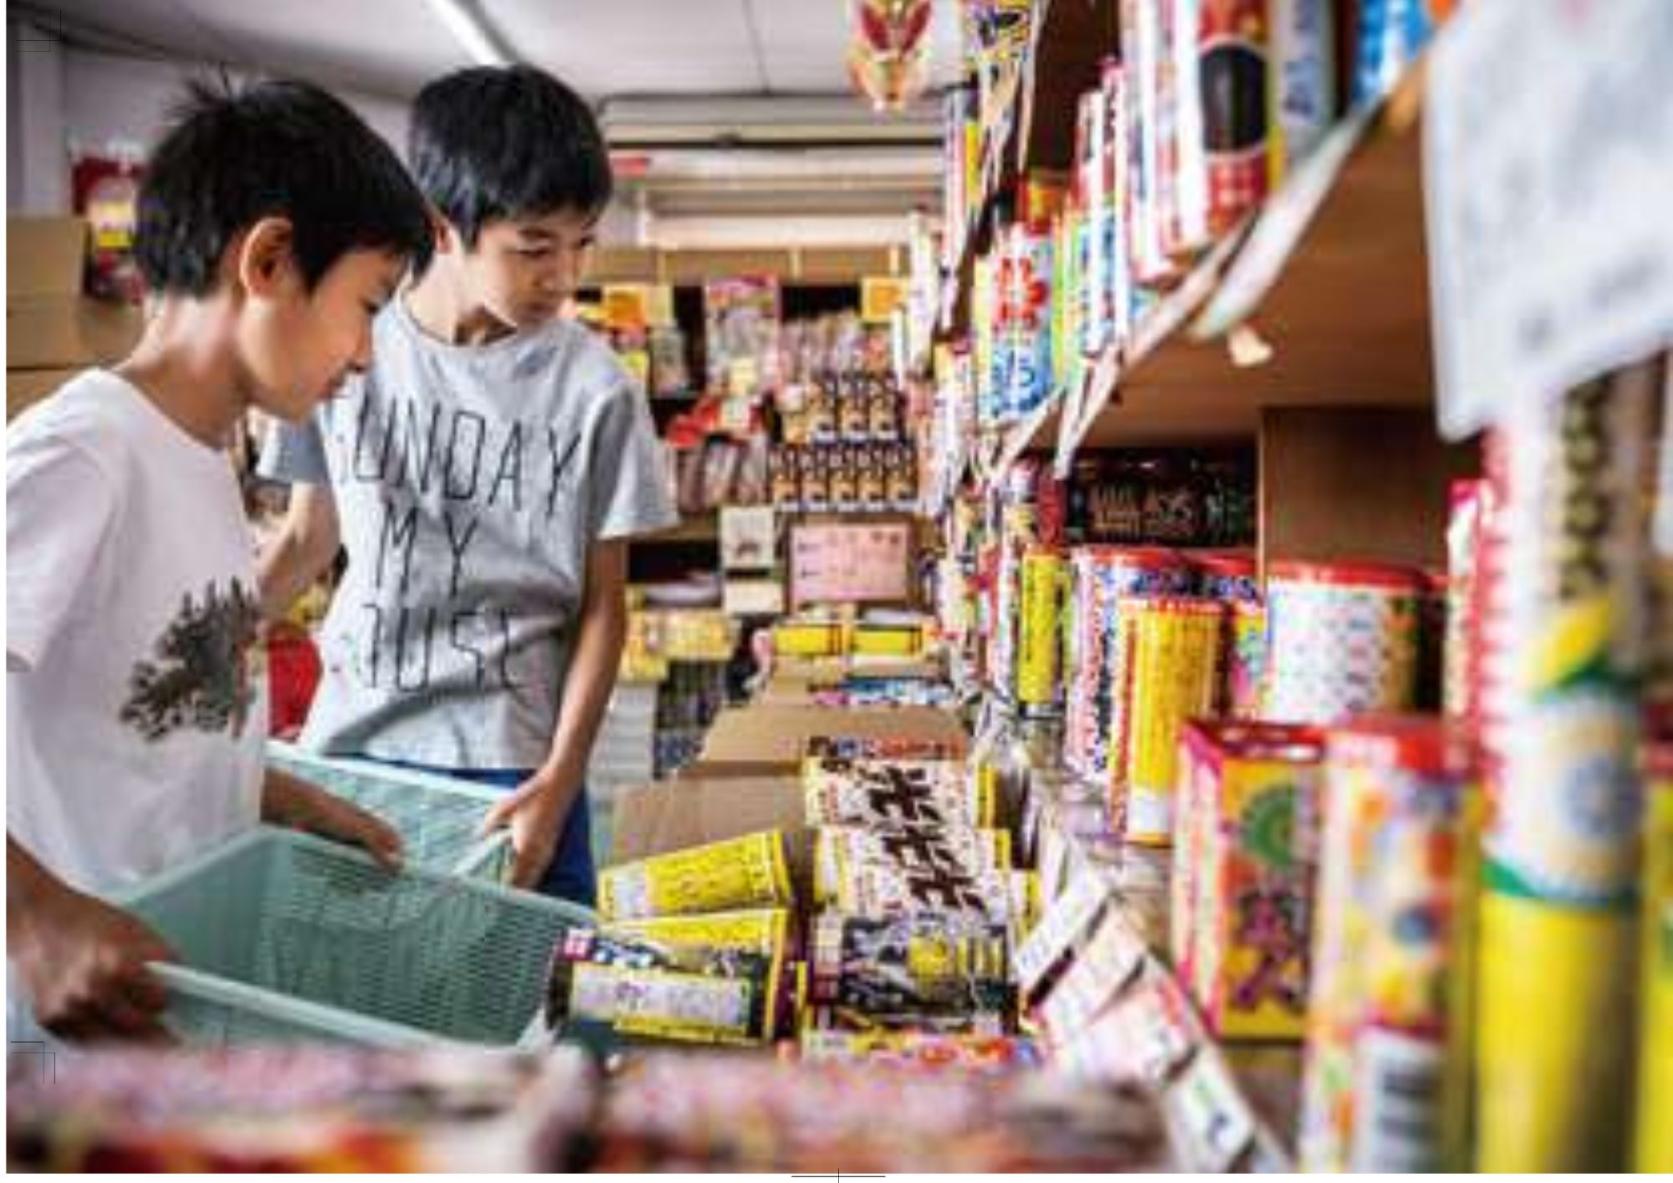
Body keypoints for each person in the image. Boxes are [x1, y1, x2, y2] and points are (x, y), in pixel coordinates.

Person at [7, 79, 435, 1043]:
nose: (365, 355)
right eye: (365, 305)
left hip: (182, 994)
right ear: (271, 259)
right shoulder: (82, 454)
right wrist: (30, 915)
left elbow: (135, 712)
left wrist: (272, 792)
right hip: (69, 1036)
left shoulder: (200, 458)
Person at [257, 65, 678, 903]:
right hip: (352, 751)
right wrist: (204, 651)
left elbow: (604, 606)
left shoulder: (598, 389)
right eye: (534, 247)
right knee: (356, 1014)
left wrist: (561, 782)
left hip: (512, 766)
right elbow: (309, 536)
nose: (563, 276)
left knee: (524, 1018)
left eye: (581, 243)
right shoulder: (343, 342)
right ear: (441, 227)